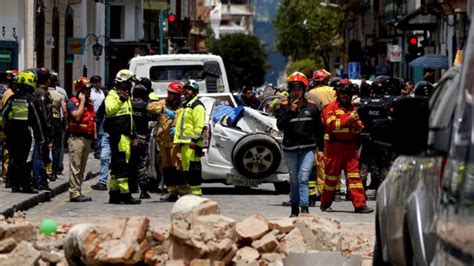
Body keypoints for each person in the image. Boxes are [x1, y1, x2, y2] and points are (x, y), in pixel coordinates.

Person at [320, 79, 373, 213]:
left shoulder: (352, 108)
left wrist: (356, 125)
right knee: (331, 177)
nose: (346, 96)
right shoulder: (330, 107)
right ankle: (325, 204)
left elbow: (360, 127)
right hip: (335, 147)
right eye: (343, 93)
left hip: (350, 148)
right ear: (337, 93)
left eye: (348, 93)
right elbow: (331, 125)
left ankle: (360, 205)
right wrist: (348, 120)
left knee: (354, 177)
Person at [276, 72, 324, 217]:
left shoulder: (312, 108)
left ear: (304, 90)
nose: (296, 92)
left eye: (299, 88)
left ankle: (304, 208)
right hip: (290, 149)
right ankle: (294, 209)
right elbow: (280, 125)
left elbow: (319, 130)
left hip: (307, 149)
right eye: (293, 88)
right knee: (294, 180)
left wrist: (321, 149)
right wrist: (291, 111)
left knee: (304, 178)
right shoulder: (284, 107)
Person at [2, 70, 44, 193]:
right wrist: (42, 137)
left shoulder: (12, 98)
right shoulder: (32, 100)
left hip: (13, 131)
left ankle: (15, 184)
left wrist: (8, 126)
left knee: (15, 157)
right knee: (27, 159)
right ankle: (26, 185)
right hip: (27, 131)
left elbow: (3, 114)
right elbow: (37, 119)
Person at [104, 69, 141, 204]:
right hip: (118, 135)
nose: (131, 85)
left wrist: (134, 135)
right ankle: (125, 195)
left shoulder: (126, 96)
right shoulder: (113, 95)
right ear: (123, 83)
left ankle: (114, 194)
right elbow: (109, 110)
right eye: (130, 83)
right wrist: (120, 100)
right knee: (122, 166)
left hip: (125, 135)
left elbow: (129, 118)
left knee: (116, 167)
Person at [148, 81, 185, 202]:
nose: (169, 95)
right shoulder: (163, 103)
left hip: (176, 143)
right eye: (168, 93)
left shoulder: (183, 106)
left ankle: (183, 192)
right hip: (163, 143)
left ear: (177, 95)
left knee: (178, 168)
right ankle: (172, 192)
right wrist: (163, 110)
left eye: (171, 93)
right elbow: (150, 107)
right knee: (166, 168)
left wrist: (178, 127)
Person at [306, 69, 337, 206]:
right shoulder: (333, 91)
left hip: (319, 129)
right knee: (331, 161)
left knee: (318, 163)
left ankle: (321, 191)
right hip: (335, 128)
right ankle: (332, 189)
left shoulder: (311, 93)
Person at [173, 79, 206, 196]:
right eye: (185, 89)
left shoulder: (197, 106)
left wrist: (194, 140)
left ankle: (196, 194)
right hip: (184, 142)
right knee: (187, 169)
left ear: (195, 92)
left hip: (192, 143)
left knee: (193, 169)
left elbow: (200, 125)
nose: (187, 91)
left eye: (190, 90)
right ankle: (190, 193)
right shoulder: (186, 105)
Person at [67, 77, 96, 202]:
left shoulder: (90, 104)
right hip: (76, 139)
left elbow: (92, 120)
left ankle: (78, 191)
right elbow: (77, 117)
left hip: (87, 139)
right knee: (76, 167)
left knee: (82, 168)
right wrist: (82, 101)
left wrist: (94, 137)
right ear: (80, 91)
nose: (89, 92)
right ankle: (74, 193)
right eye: (86, 90)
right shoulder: (72, 102)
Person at [129, 84, 152, 199]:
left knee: (130, 163)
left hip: (130, 139)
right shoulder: (146, 106)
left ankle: (131, 186)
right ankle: (143, 190)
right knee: (143, 164)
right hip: (142, 139)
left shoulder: (129, 105)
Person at [32, 67, 53, 190]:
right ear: (48, 81)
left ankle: (41, 179)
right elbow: (44, 115)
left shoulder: (38, 91)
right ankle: (39, 180)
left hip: (40, 129)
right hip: (42, 130)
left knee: (42, 156)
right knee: (40, 156)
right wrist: (47, 131)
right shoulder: (42, 93)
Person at [0, 70, 18, 188]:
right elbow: (6, 112)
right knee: (7, 151)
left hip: (8, 126)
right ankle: (6, 175)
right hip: (8, 127)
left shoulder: (10, 92)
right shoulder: (9, 94)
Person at [48, 73, 67, 181]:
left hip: (46, 121)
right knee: (56, 147)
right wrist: (66, 122)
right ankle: (54, 171)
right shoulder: (60, 95)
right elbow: (64, 111)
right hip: (56, 121)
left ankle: (46, 169)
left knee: (46, 145)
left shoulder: (44, 93)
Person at [90, 75, 105, 159]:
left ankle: (97, 152)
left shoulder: (101, 92)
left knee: (100, 134)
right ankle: (95, 149)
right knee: (94, 135)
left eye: (99, 82)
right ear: (93, 83)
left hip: (101, 116)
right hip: (93, 116)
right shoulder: (91, 92)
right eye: (97, 82)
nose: (99, 84)